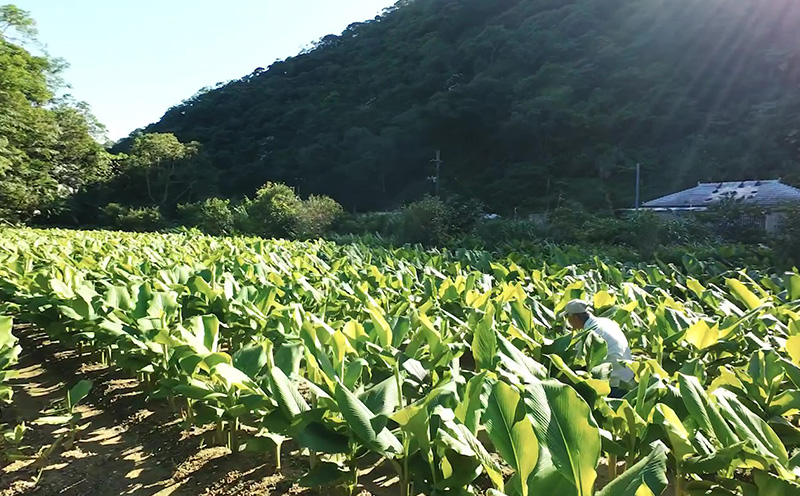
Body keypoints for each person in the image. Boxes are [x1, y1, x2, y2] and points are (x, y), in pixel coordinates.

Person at [563, 299, 634, 398]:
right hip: (628, 376)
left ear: (575, 317)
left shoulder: (590, 334)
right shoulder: (606, 321)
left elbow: (577, 361)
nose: (568, 322)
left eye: (567, 317)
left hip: (614, 383)